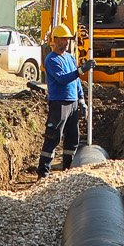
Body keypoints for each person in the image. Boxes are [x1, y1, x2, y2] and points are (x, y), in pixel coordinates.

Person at [37, 23, 83, 177]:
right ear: (55, 40)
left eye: (68, 39)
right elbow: (63, 79)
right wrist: (81, 71)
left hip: (73, 102)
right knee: (53, 137)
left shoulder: (70, 57)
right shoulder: (51, 60)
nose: (66, 42)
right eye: (63, 39)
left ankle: (67, 172)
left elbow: (76, 82)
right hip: (59, 103)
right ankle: (43, 173)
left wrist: (81, 99)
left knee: (72, 139)